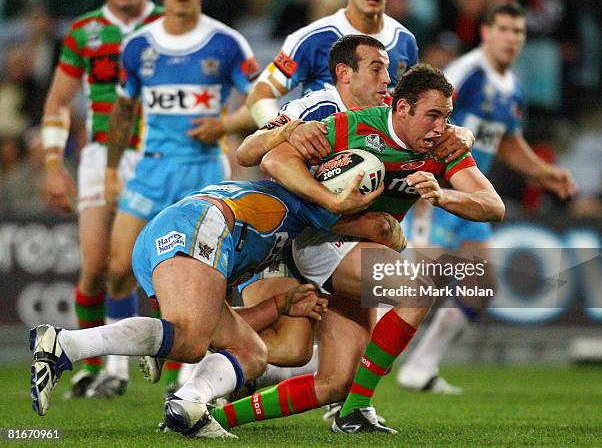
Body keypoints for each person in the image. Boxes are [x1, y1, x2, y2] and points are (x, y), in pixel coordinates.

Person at [177, 64, 504, 435]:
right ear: (401, 109)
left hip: (361, 252)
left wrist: (443, 195)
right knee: (416, 290)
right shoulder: (352, 125)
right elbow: (273, 158)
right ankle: (357, 409)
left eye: (446, 117)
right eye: (432, 116)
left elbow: (492, 205)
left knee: (334, 382)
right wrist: (330, 203)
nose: (440, 128)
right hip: (321, 241)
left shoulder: (441, 146)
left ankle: (208, 419)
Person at [29, 175, 408, 433]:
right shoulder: (312, 204)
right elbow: (379, 230)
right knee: (191, 341)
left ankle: (189, 403)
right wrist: (383, 213)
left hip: (185, 232)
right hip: (201, 226)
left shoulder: (282, 201)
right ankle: (65, 344)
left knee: (251, 353)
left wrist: (279, 305)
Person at [226, 34, 474, 398]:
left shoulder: (391, 111)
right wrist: (288, 132)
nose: (387, 79)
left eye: (388, 69)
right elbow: (248, 153)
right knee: (286, 345)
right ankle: (189, 355)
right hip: (282, 238)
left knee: (325, 361)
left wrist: (463, 134)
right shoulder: (315, 108)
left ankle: (334, 403)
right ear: (344, 73)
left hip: (340, 243)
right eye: (377, 69)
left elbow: (433, 123)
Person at [94, 0, 256, 397]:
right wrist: (111, 170)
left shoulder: (226, 43)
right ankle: (115, 371)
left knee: (209, 283)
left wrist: (224, 125)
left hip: (204, 174)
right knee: (118, 267)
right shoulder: (138, 47)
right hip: (152, 171)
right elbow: (124, 110)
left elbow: (261, 103)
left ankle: (192, 380)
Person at [397, 2, 576, 394]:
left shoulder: (511, 85)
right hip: (437, 193)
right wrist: (424, 189)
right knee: (409, 292)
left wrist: (544, 173)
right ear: (485, 32)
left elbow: (507, 141)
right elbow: (422, 122)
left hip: (469, 200)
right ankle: (332, 371)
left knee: (480, 284)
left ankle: (420, 369)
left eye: (519, 31)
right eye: (505, 29)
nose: (512, 38)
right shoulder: (467, 73)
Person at [41, 0, 163, 398]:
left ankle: (122, 369)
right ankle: (88, 366)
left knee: (131, 265)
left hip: (158, 154)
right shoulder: (84, 32)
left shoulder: (168, 27)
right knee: (95, 266)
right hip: (98, 155)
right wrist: (54, 165)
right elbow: (56, 103)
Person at [194, 0, 419, 143]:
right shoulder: (313, 38)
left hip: (383, 160)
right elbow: (261, 93)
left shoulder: (405, 40)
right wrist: (284, 132)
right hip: (321, 159)